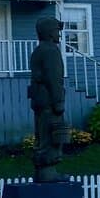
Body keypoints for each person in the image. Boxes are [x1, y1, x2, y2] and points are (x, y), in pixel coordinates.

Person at [28, 16, 67, 182]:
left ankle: (42, 170)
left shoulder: (39, 50)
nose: (59, 34)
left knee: (42, 133)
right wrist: (58, 101)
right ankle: (48, 171)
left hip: (39, 99)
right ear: (50, 33)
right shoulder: (51, 51)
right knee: (52, 134)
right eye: (57, 31)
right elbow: (54, 78)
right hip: (49, 100)